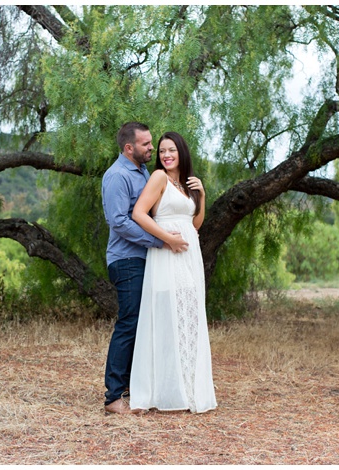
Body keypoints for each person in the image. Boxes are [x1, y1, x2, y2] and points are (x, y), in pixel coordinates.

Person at [102, 122, 189, 415]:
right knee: (129, 322)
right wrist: (159, 241)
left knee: (143, 323)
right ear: (129, 148)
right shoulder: (117, 176)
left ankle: (132, 387)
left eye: (153, 143)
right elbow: (120, 222)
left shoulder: (143, 173)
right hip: (126, 259)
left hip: (147, 258)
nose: (152, 148)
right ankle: (113, 397)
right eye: (147, 145)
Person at [129, 131, 217, 414]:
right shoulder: (159, 178)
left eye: (172, 151)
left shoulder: (184, 184)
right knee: (168, 317)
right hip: (167, 255)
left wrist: (201, 196)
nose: (166, 155)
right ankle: (167, 391)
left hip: (189, 255)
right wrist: (167, 238)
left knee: (189, 316)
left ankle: (189, 387)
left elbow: (195, 224)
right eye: (162, 151)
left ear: (182, 153)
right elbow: (139, 214)